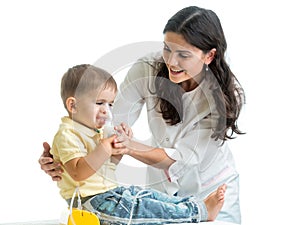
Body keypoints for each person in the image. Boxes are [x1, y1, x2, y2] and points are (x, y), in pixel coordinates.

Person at [39, 6, 245, 224]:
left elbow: (185, 160)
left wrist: (127, 146)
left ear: (209, 55)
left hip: (210, 187)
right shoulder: (148, 68)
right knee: (143, 203)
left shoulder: (223, 98)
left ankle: (202, 211)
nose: (171, 62)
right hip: (163, 190)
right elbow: (108, 122)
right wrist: (66, 156)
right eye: (168, 49)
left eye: (183, 55)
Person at [50, 63, 226, 225]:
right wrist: (104, 148)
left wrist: (118, 150)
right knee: (145, 209)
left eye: (110, 104)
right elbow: (78, 172)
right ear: (73, 106)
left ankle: (196, 205)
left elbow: (105, 167)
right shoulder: (68, 134)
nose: (107, 110)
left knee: (147, 195)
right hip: (91, 204)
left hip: (110, 194)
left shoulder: (95, 131)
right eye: (99, 103)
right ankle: (199, 212)